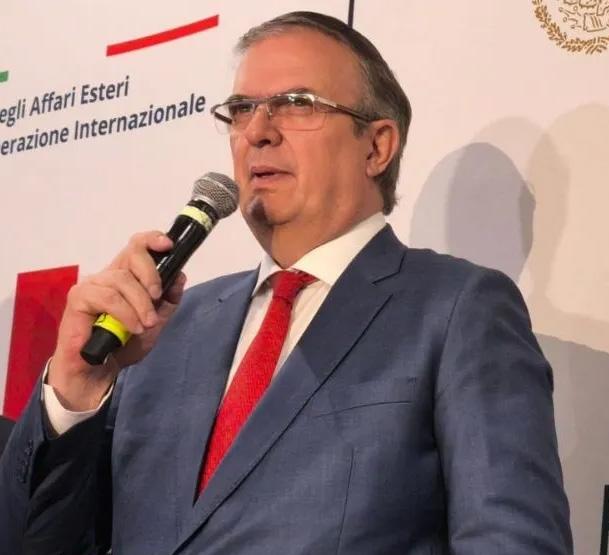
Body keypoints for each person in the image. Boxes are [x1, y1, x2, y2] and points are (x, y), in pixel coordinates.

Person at [0, 11, 572, 554]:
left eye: (297, 104)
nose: (257, 131)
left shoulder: (456, 309)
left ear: (377, 146)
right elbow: (32, 541)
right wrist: (76, 392)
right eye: (241, 109)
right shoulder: (162, 325)